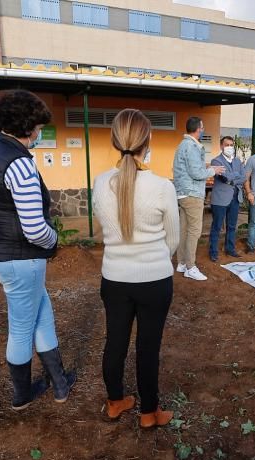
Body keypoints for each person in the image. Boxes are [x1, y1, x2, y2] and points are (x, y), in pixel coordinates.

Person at [0, 89, 76, 410]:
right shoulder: (19, 165)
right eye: (39, 126)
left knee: (42, 313)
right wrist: (53, 241)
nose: (40, 132)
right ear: (28, 126)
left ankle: (59, 384)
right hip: (19, 258)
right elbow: (33, 228)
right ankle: (22, 395)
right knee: (21, 328)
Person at [92, 108, 180, 428]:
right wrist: (154, 258)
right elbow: (173, 240)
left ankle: (116, 402)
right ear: (148, 141)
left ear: (115, 140)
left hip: (114, 278)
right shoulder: (162, 186)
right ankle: (149, 412)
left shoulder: (100, 183)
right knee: (148, 347)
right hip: (154, 280)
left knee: (114, 341)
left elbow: (104, 228)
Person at [172, 116, 224, 281]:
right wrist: (214, 171)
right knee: (194, 231)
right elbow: (197, 173)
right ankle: (190, 267)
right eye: (202, 128)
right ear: (197, 129)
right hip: (192, 193)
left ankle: (181, 263)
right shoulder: (192, 146)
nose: (203, 130)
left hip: (183, 192)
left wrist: (209, 168)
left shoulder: (183, 145)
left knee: (184, 229)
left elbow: (192, 169)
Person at [209, 136, 246, 260]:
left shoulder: (237, 161)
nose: (229, 147)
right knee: (217, 226)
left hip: (235, 198)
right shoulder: (216, 161)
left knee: (231, 226)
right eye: (227, 145)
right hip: (220, 199)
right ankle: (213, 252)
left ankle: (230, 249)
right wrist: (235, 175)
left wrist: (233, 178)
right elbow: (224, 177)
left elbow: (244, 177)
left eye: (231, 145)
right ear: (221, 146)